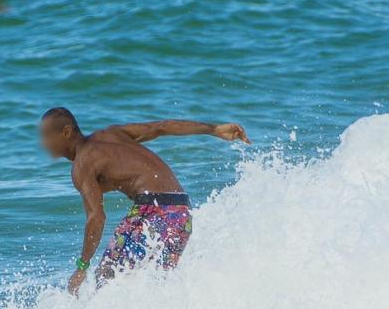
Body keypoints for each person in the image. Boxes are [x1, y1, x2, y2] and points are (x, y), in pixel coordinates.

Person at [38, 108, 250, 295]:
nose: (43, 143)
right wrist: (213, 129)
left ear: (66, 132)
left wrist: (82, 266)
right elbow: (162, 127)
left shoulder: (82, 165)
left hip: (154, 209)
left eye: (46, 136)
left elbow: (97, 218)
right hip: (182, 212)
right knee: (157, 285)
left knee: (105, 279)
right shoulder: (111, 134)